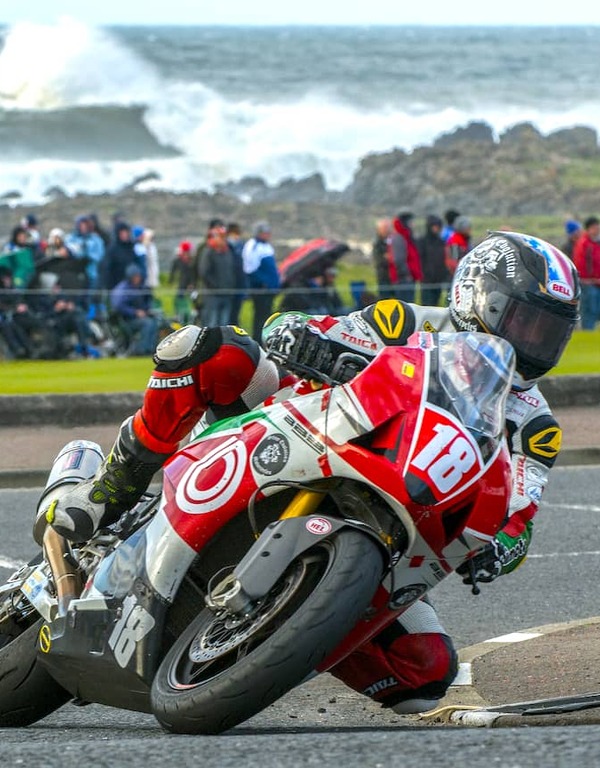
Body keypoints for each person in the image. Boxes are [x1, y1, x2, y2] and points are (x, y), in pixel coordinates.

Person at [45, 231, 580, 714]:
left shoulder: (535, 427)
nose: (532, 340)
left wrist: (500, 549)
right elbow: (296, 326)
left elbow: (520, 513)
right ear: (474, 296)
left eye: (548, 331)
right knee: (211, 350)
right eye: (523, 320)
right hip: (306, 432)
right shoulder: (406, 323)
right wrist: (306, 340)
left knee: (424, 673)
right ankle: (110, 488)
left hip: (398, 515)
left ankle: (276, 641)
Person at [242, 221, 280, 341]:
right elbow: (249, 269)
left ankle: (266, 338)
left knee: (267, 315)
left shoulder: (267, 246)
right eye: (265, 233)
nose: (267, 235)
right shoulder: (252, 246)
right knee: (260, 316)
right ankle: (258, 339)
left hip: (270, 289)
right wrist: (263, 282)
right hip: (261, 289)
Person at [110, 263, 158, 356]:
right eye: (135, 276)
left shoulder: (140, 287)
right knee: (148, 323)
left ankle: (151, 349)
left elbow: (146, 301)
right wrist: (134, 312)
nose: (138, 278)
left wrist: (147, 309)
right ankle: (141, 350)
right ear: (130, 277)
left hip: (140, 318)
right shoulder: (122, 289)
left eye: (138, 276)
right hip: (127, 320)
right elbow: (118, 306)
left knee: (155, 322)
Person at [198, 220, 237, 328]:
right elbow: (204, 272)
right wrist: (215, 287)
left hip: (226, 294)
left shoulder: (228, 252)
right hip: (213, 295)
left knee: (224, 324)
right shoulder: (209, 251)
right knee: (212, 323)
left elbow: (231, 271)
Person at [571, 216, 600, 331]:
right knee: (589, 309)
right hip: (588, 283)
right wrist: (591, 279)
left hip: (597, 282)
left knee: (596, 309)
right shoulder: (583, 244)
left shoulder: (596, 243)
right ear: (588, 229)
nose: (597, 229)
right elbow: (581, 265)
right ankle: (588, 330)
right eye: (594, 227)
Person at [388, 211, 422, 303]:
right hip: (403, 279)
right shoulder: (399, 238)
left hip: (409, 278)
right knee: (405, 305)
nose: (413, 224)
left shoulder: (406, 237)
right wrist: (407, 274)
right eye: (410, 222)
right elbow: (398, 259)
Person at [417, 214, 450, 307]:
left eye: (437, 226)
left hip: (438, 280)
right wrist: (424, 274)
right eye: (434, 226)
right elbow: (420, 259)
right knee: (426, 306)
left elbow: (443, 259)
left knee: (435, 306)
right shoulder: (422, 242)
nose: (436, 228)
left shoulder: (441, 242)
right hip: (427, 281)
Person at [169, 240, 196, 324]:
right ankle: (179, 317)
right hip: (182, 284)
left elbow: (194, 272)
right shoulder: (178, 260)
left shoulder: (192, 260)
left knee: (193, 302)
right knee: (179, 300)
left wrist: (192, 284)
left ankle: (192, 319)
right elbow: (173, 271)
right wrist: (171, 280)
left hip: (191, 285)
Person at [371, 218, 392, 299]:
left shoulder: (392, 240)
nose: (386, 230)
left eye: (387, 227)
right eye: (384, 228)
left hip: (395, 277)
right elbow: (378, 260)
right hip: (383, 276)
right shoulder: (377, 243)